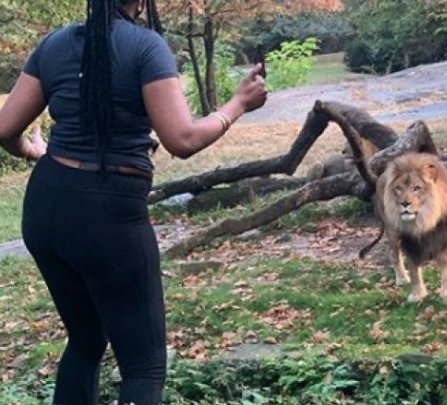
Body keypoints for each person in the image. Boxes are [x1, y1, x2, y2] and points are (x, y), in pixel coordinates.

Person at [0, 0, 267, 403]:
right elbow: (183, 140)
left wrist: (34, 152)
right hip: (107, 215)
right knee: (143, 366)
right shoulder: (146, 46)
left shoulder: (53, 44)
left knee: (86, 340)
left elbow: (5, 130)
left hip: (46, 209)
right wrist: (238, 105)